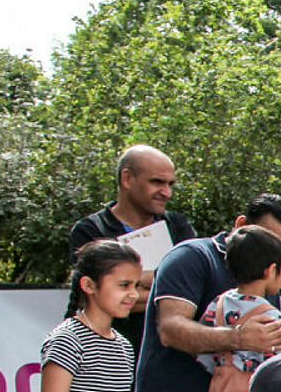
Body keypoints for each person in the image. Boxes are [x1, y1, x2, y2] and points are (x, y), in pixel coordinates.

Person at [135, 193, 281, 392]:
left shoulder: (267, 285)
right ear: (240, 225)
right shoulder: (192, 257)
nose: (272, 255)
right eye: (266, 240)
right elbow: (171, 329)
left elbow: (263, 357)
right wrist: (239, 338)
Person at [66, 145, 197, 355]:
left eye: (170, 184)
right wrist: (170, 288)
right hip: (107, 357)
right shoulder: (91, 230)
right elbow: (105, 299)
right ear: (127, 178)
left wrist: (137, 283)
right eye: (157, 182)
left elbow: (194, 289)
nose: (166, 192)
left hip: (167, 360)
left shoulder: (178, 226)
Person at [39, 240, 144, 392]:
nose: (134, 294)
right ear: (89, 285)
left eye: (136, 286)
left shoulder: (123, 345)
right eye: (124, 285)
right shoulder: (67, 339)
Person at [196, 225, 281, 392]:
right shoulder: (270, 316)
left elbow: (203, 355)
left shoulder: (218, 303)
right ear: (271, 271)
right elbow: (279, 368)